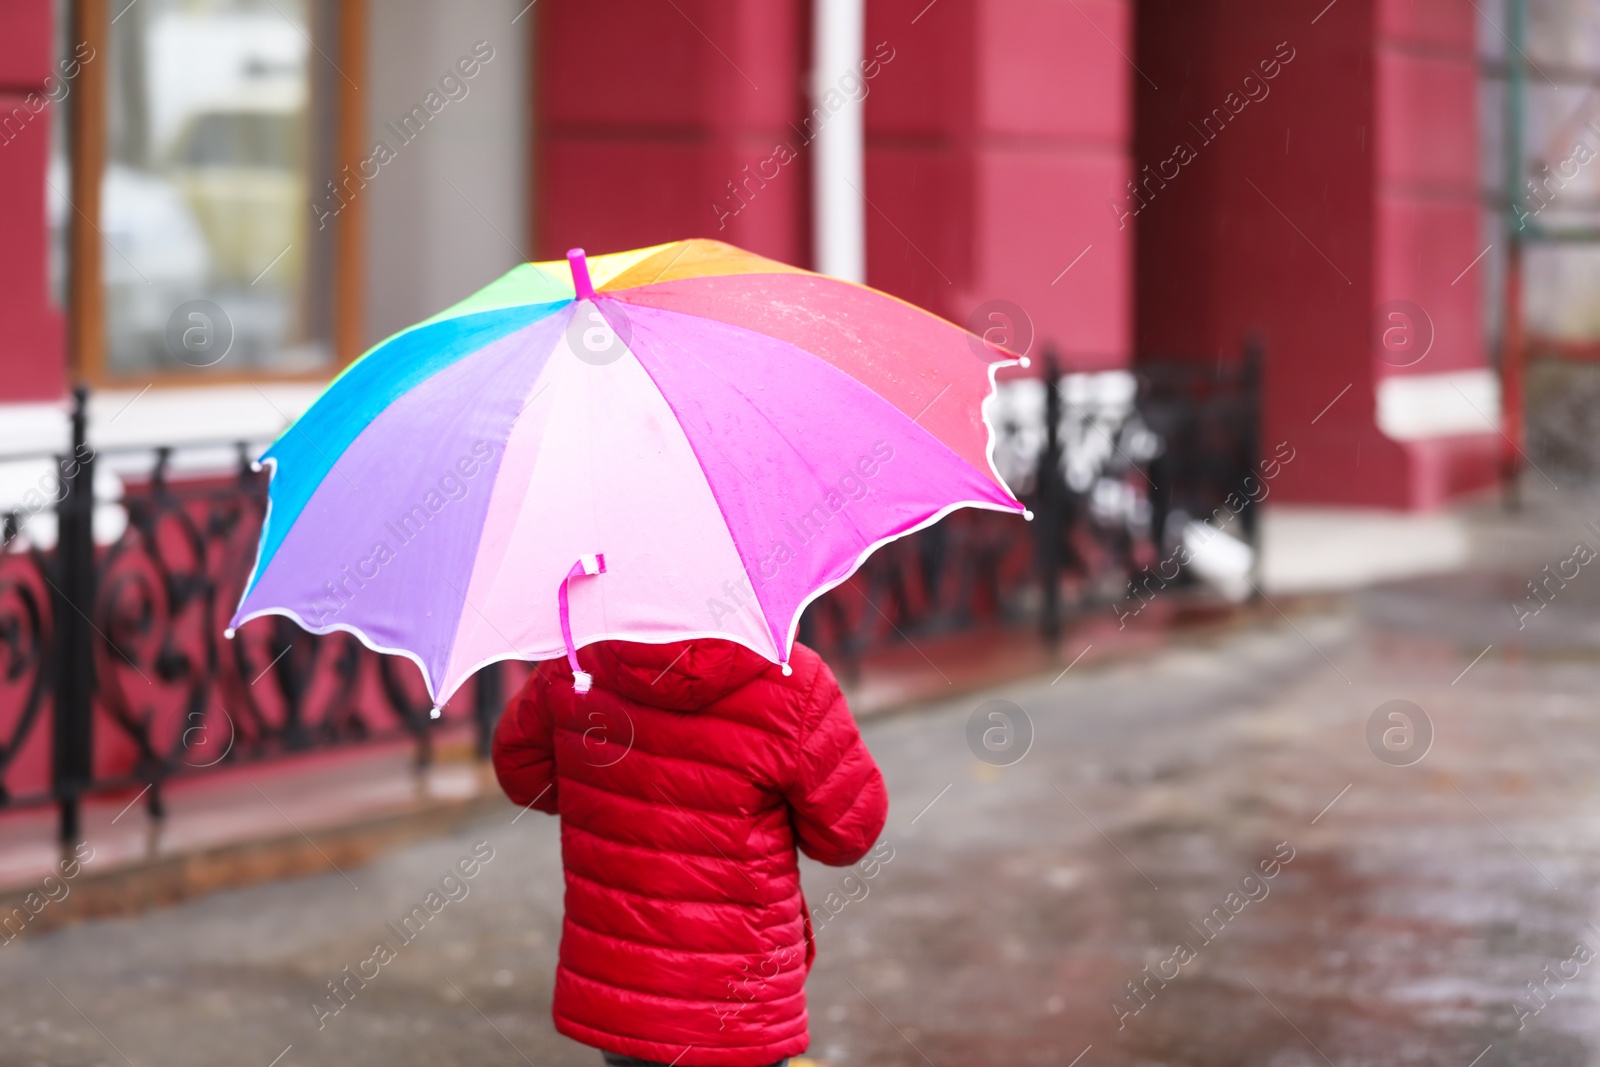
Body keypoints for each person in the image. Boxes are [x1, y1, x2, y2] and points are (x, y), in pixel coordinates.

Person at [492, 637, 889, 1067]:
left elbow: (521, 771)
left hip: (627, 994)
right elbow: (849, 832)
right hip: (743, 1005)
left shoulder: (576, 660)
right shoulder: (792, 674)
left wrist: (599, 797)